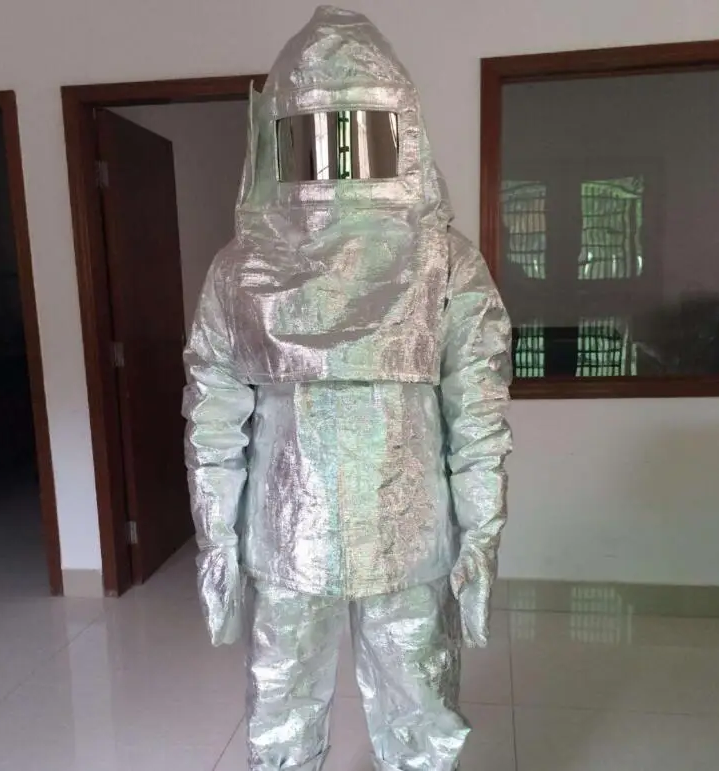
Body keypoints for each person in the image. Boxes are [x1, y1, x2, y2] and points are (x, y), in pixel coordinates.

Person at [183, 6, 512, 770]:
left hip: (403, 541)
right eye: (313, 133)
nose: (335, 158)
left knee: (417, 709)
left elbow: (478, 413)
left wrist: (481, 536)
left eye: (357, 129)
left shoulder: (444, 263)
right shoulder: (242, 269)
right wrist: (216, 541)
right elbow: (212, 415)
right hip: (294, 539)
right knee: (283, 710)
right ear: (278, 136)